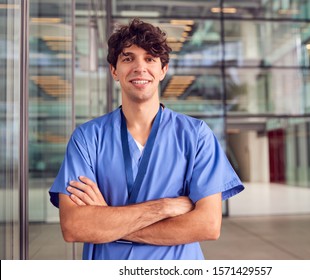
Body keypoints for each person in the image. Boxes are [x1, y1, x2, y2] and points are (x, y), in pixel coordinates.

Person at [49, 18, 244, 260]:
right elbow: (75, 227)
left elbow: (207, 225)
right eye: (128, 58)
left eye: (150, 59)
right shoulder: (88, 138)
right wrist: (164, 208)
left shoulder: (196, 136)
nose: (140, 68)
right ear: (114, 71)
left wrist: (107, 219)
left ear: (163, 70)